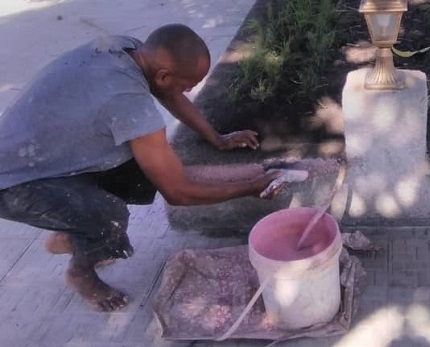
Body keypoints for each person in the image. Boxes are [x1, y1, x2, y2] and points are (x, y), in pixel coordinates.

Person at [0, 24, 282, 312]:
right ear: (163, 75)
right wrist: (252, 187)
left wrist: (217, 139)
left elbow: (169, 94)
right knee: (109, 218)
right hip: (13, 180)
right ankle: (80, 272)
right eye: (188, 85)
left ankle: (74, 234)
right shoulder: (128, 103)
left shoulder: (130, 50)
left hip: (40, 152)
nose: (189, 91)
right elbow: (178, 193)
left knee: (142, 164)